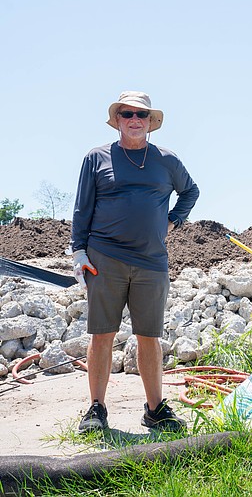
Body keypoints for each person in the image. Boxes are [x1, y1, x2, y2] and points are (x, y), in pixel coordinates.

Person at [71, 91, 200, 434]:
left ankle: (155, 410)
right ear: (117, 120)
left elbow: (191, 191)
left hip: (152, 262)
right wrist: (78, 252)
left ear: (150, 122)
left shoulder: (167, 161)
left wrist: (173, 221)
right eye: (126, 113)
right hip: (104, 257)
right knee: (102, 335)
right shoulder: (96, 158)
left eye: (140, 114)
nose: (134, 119)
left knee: (149, 337)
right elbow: (82, 208)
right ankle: (96, 409)